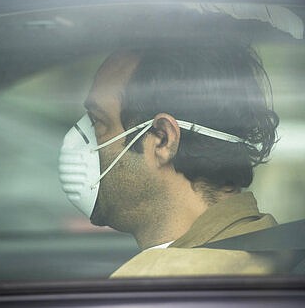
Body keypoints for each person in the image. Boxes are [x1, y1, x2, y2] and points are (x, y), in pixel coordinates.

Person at [59, 42, 280, 277]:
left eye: (98, 120)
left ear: (162, 140)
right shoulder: (270, 250)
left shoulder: (154, 288)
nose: (82, 136)